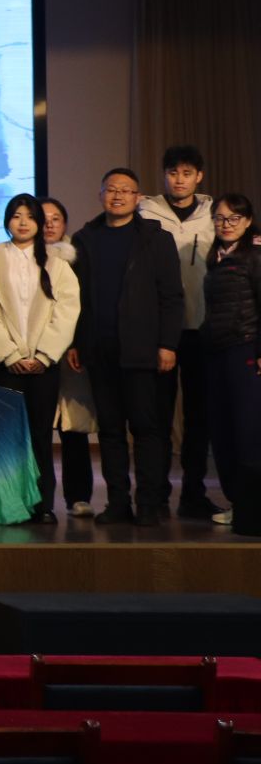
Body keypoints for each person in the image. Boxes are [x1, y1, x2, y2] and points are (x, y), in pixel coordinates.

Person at [69, 168, 185, 526]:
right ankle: (117, 502)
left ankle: (149, 503)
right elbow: (76, 298)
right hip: (100, 350)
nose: (117, 195)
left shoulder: (155, 239)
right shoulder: (84, 239)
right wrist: (77, 342)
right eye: (111, 189)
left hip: (143, 351)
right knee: (110, 431)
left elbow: (172, 296)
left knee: (146, 429)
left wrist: (167, 344)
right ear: (100, 194)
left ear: (138, 198)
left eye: (125, 190)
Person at [0, 193, 83, 523]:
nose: (23, 222)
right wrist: (8, 354)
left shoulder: (57, 264)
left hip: (42, 367)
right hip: (2, 365)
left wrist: (44, 354)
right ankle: (4, 503)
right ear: (7, 220)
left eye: (30, 217)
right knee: (2, 435)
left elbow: (66, 311)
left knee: (39, 436)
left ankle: (41, 504)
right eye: (16, 216)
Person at [142, 144, 224, 519]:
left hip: (203, 329)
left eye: (187, 173)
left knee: (198, 417)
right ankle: (156, 494)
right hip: (160, 331)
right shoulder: (146, 211)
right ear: (164, 175)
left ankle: (193, 494)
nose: (179, 180)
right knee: (157, 417)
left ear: (199, 177)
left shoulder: (215, 215)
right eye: (173, 172)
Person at [202, 195, 261, 535]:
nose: (226, 224)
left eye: (233, 218)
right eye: (220, 218)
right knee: (222, 431)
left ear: (248, 221)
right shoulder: (216, 256)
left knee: (248, 432)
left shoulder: (255, 255)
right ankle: (238, 503)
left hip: (245, 349)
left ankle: (252, 513)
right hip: (217, 351)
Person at [42, 197, 100, 518]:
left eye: (56, 218)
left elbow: (86, 304)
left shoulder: (78, 257)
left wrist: (76, 343)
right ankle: (37, 499)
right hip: (32, 354)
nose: (49, 224)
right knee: (36, 429)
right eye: (43, 218)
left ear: (65, 223)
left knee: (73, 427)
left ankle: (79, 496)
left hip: (70, 353)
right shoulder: (19, 258)